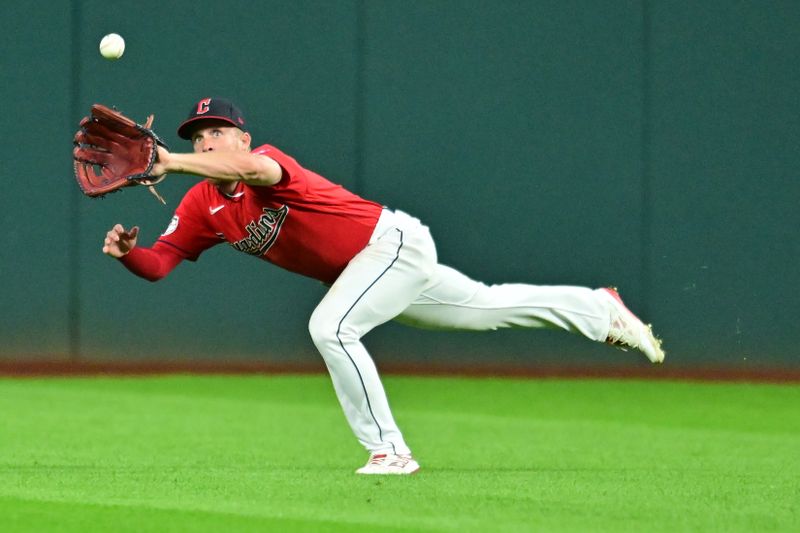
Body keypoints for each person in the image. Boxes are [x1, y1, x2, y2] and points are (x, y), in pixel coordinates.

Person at [102, 97, 665, 475]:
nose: (207, 143)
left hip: (391, 244)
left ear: (242, 138)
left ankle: (389, 450)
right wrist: (130, 255)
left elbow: (251, 173)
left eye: (217, 132)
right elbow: (161, 263)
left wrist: (169, 161)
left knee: (331, 327)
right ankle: (597, 310)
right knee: (485, 307)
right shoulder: (201, 203)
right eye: (198, 136)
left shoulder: (265, 161)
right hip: (369, 270)